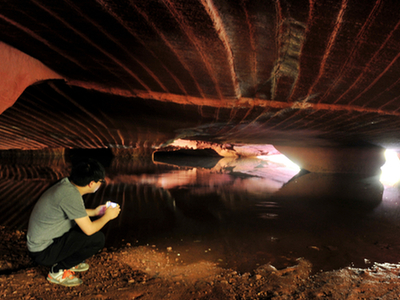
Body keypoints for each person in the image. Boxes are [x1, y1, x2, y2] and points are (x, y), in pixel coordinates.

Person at [26, 158, 121, 287]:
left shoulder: (66, 185)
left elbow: (74, 211)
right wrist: (108, 217)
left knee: (86, 224)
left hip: (45, 241)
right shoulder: (70, 196)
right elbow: (89, 230)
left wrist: (95, 212)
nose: (101, 184)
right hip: (43, 251)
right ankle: (57, 271)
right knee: (97, 238)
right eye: (101, 181)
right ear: (91, 183)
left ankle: (70, 260)